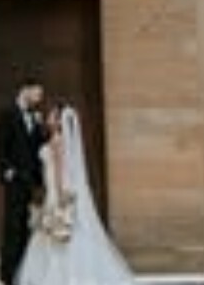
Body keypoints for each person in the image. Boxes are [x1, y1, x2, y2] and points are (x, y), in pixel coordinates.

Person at [16, 104, 135, 285]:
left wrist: (58, 193)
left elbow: (59, 170)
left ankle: (57, 275)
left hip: (56, 191)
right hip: (56, 189)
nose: (49, 119)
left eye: (52, 116)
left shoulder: (56, 140)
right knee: (58, 231)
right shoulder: (57, 139)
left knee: (55, 230)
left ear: (59, 122)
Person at [0, 78, 48, 285]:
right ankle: (7, 278)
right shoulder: (7, 113)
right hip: (15, 182)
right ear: (25, 90)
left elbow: (39, 149)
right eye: (37, 93)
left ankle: (23, 275)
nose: (39, 98)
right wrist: (9, 173)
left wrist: (41, 127)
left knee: (27, 228)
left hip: (32, 183)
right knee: (12, 228)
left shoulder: (35, 116)